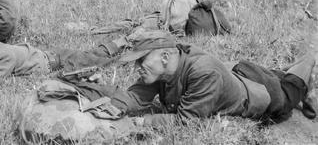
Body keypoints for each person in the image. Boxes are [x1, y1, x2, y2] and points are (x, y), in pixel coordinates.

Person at [105, 31, 316, 127]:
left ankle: (309, 61)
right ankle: (282, 70)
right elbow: (135, 95)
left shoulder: (203, 72)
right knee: (275, 73)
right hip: (233, 72)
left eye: (141, 61)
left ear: (166, 56)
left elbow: (186, 121)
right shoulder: (160, 69)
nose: (137, 68)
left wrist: (141, 122)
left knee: (291, 88)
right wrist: (111, 108)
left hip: (261, 92)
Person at [0, 25, 124, 80]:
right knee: (90, 55)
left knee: (98, 63)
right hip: (49, 55)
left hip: (57, 61)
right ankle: (117, 44)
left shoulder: (2, 55)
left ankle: (125, 49)